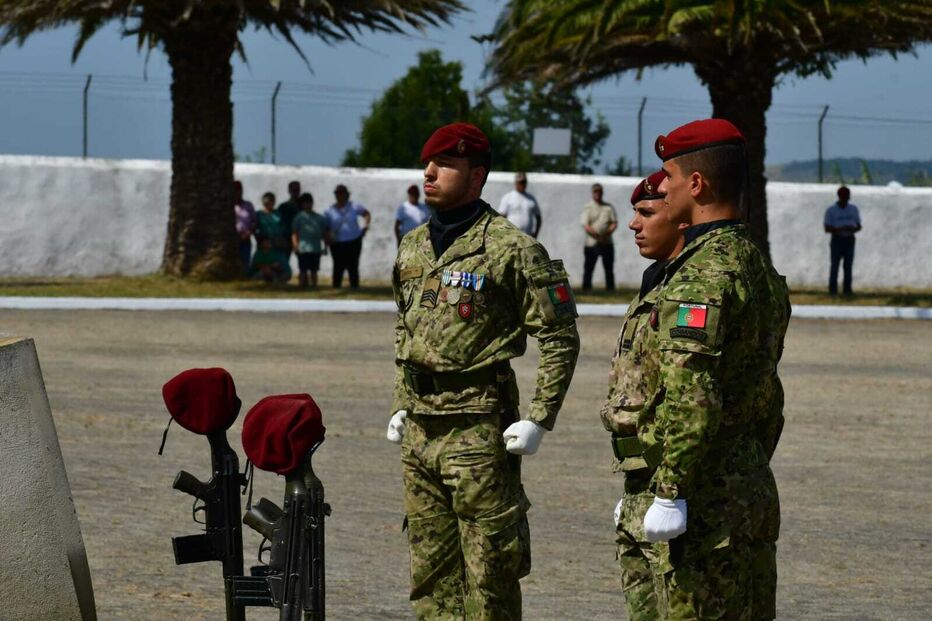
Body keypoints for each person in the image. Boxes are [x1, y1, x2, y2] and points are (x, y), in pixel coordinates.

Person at [386, 122, 580, 620]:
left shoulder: (510, 247)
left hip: (478, 429)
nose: (430, 173)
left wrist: (539, 417)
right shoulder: (411, 246)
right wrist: (400, 402)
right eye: (427, 163)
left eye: (445, 164)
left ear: (477, 176)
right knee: (429, 575)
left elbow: (559, 336)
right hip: (420, 429)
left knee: (488, 576)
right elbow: (404, 330)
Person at [628, 118, 790, 620]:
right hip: (744, 479)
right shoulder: (754, 263)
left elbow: (692, 397)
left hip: (704, 498)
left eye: (670, 179)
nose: (667, 188)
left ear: (696, 185)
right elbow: (767, 394)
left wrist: (668, 490)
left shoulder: (701, 274)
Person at [602, 171, 688, 621]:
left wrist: (669, 491)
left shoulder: (689, 289)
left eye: (646, 212)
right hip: (639, 477)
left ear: (680, 219)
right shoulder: (655, 280)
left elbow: (695, 398)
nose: (634, 224)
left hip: (670, 482)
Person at [324, 184, 371, 289]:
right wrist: (327, 238)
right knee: (338, 266)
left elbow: (366, 214)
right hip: (337, 242)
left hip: (354, 240)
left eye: (341, 192)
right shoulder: (330, 210)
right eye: (337, 193)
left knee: (353, 265)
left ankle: (354, 286)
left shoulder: (354, 206)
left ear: (346, 194)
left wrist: (365, 227)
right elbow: (326, 227)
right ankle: (336, 286)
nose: (339, 195)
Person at [823, 185, 862, 296]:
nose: (845, 199)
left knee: (848, 266)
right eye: (843, 196)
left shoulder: (853, 209)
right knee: (835, 265)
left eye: (847, 196)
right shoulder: (831, 211)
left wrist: (852, 229)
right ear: (839, 196)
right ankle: (833, 290)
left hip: (849, 239)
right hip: (837, 240)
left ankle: (847, 290)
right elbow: (827, 228)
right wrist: (840, 229)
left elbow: (859, 225)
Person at [580, 183, 618, 290]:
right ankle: (586, 289)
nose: (598, 194)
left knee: (609, 269)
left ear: (602, 193)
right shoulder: (588, 207)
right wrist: (597, 236)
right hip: (591, 243)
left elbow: (614, 223)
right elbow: (586, 225)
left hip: (607, 242)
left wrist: (606, 235)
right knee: (588, 269)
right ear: (592, 193)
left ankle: (610, 290)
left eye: (599, 192)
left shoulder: (608, 207)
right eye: (595, 192)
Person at [291, 192, 330, 289]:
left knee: (314, 270)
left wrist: (325, 247)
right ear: (302, 204)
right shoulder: (298, 218)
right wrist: (295, 246)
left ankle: (314, 286)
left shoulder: (320, 218)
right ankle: (301, 286)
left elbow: (324, 234)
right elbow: (294, 233)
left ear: (312, 203)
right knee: (303, 270)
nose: (307, 205)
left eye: (309, 202)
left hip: (315, 248)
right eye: (305, 203)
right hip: (303, 248)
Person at [497, 172, 542, 238]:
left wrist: (536, 234)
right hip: (511, 235)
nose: (522, 184)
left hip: (528, 236)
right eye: (520, 182)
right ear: (516, 183)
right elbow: (501, 217)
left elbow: (538, 217)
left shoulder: (531, 198)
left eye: (524, 182)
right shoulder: (508, 197)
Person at [233, 180, 256, 276]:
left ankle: (244, 278)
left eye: (239, 190)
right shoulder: (228, 205)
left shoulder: (248, 205)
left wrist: (249, 232)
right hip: (232, 238)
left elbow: (254, 221)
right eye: (235, 190)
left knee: (245, 260)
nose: (237, 193)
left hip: (246, 238)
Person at [277, 180, 303, 255]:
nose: (296, 192)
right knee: (284, 262)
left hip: (301, 239)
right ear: (289, 190)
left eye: (297, 190)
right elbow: (279, 224)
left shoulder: (304, 206)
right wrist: (280, 238)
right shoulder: (283, 206)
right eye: (293, 190)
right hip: (286, 238)